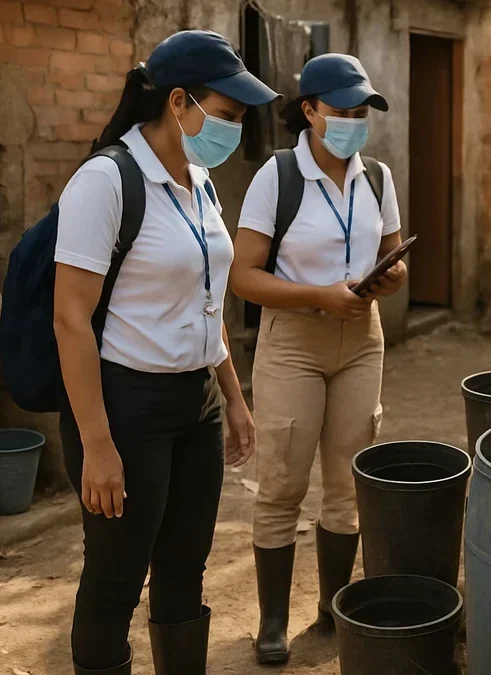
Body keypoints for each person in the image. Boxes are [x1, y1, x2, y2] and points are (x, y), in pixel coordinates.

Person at [53, 30, 279, 675]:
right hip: (128, 407)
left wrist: (232, 398)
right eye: (228, 116)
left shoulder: (198, 180)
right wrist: (97, 443)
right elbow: (70, 319)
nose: (234, 131)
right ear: (179, 102)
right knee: (116, 579)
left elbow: (204, 302)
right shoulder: (106, 180)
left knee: (185, 570)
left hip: (196, 402)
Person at [230, 53, 405, 665]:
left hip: (361, 340)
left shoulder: (377, 176)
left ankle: (332, 605)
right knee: (282, 481)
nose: (355, 122)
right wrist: (317, 296)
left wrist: (391, 275)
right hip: (293, 342)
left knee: (348, 481)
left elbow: (392, 255)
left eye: (363, 112)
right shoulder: (276, 178)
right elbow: (243, 277)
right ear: (309, 111)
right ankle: (272, 621)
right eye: (343, 111)